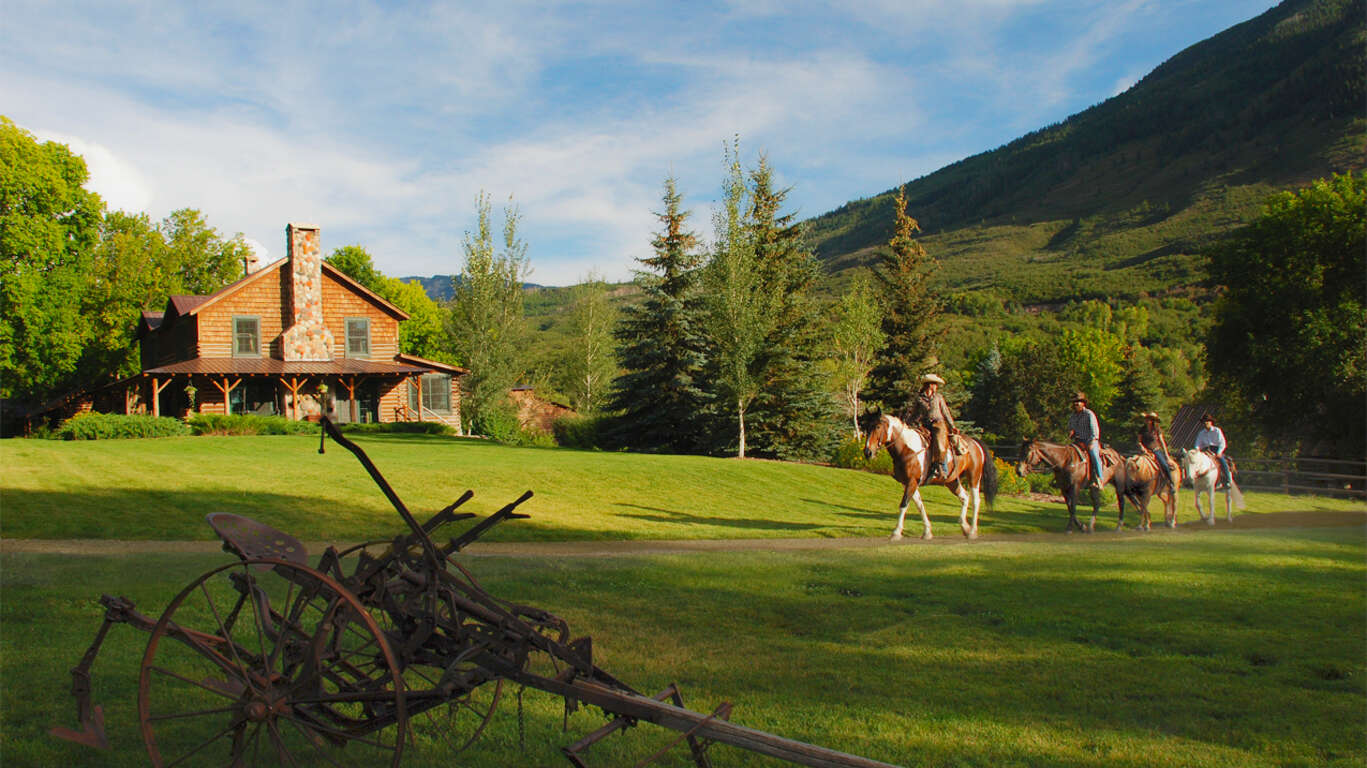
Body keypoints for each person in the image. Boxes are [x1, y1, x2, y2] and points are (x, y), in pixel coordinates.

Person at [907, 373, 956, 479]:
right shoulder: (920, 399)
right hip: (925, 424)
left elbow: (945, 412)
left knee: (939, 442)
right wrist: (907, 424)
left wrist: (952, 425)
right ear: (930, 385)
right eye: (935, 384)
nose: (936, 386)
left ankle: (942, 467)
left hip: (938, 424)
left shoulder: (938, 397)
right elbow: (915, 414)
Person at [1067, 392, 1104, 490]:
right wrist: (1071, 432)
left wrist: (1092, 441)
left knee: (1094, 455)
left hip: (1090, 440)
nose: (1077, 404)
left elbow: (1095, 430)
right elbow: (1071, 427)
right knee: (1066, 454)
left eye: (1079, 402)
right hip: (1078, 441)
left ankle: (1099, 479)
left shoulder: (1089, 414)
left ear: (1083, 403)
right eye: (1075, 402)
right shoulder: (1072, 416)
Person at [1137, 411, 1175, 490]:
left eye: (1150, 419)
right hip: (1145, 452)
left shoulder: (1157, 429)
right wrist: (1142, 448)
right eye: (1147, 419)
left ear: (1152, 421)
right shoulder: (1142, 429)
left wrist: (1167, 456)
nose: (1147, 421)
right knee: (1135, 464)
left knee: (1164, 465)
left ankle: (1171, 483)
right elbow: (1139, 441)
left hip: (1155, 450)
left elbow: (1162, 441)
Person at [1194, 412, 1231, 489]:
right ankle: (1195, 480)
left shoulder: (1217, 431)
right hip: (1205, 450)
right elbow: (1198, 443)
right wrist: (1197, 449)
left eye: (1207, 421)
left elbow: (1222, 443)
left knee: (1222, 461)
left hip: (1216, 449)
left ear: (1211, 422)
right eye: (1204, 421)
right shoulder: (1201, 433)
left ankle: (1227, 480)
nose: (1206, 423)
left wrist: (1219, 452)